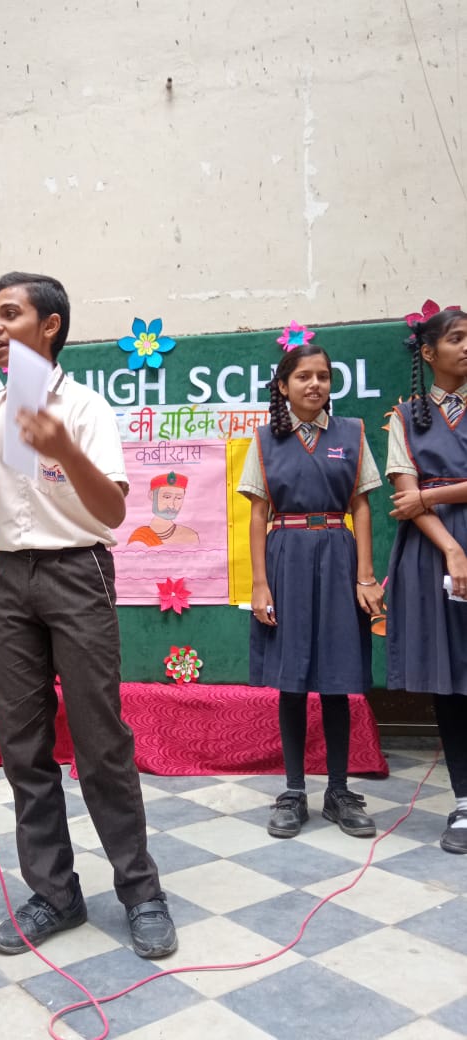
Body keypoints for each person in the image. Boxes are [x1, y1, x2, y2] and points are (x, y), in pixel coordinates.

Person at [0, 271, 177, 957]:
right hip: (12, 579)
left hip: (78, 571)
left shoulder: (85, 407)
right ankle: (55, 893)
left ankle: (141, 892)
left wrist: (61, 446)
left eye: (10, 313)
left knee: (100, 739)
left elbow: (113, 512)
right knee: (22, 743)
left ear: (49, 326)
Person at [237, 338, 385, 839]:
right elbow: (257, 516)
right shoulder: (264, 441)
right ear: (283, 386)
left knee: (338, 679)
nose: (314, 384)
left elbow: (361, 507)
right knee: (292, 680)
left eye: (322, 376)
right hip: (286, 559)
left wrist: (365, 576)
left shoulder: (352, 433)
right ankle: (294, 791)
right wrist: (260, 585)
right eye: (303, 376)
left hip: (339, 556)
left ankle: (339, 792)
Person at [385, 304, 467, 854]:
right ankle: (464, 803)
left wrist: (431, 495)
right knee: (451, 678)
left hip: (440, 526)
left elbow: (419, 496)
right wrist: (453, 549)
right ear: (429, 351)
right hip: (433, 552)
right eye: (457, 338)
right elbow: (403, 495)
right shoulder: (404, 416)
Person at [127, 471, 200, 546]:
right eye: (167, 497)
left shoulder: (190, 536)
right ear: (152, 495)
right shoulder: (139, 537)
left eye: (178, 498)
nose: (172, 505)